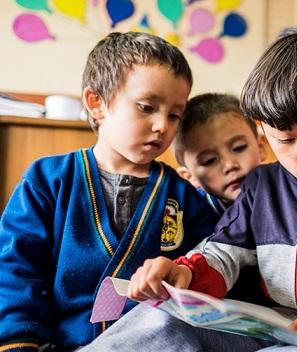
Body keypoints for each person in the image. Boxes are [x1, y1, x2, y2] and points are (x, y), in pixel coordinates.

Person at [82, 28, 297, 352]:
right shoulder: (261, 186)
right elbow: (224, 252)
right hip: (276, 323)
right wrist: (183, 271)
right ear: (262, 130)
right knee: (159, 320)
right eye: (286, 139)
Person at [0, 32, 219, 351]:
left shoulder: (183, 196)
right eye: (147, 107)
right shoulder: (47, 180)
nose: (162, 125)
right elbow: (16, 270)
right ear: (97, 103)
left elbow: (208, 262)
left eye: (174, 115)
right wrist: (19, 343)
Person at [173, 93, 265, 216]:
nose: (230, 165)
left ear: (260, 148)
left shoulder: (288, 190)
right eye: (209, 160)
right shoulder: (192, 221)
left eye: (239, 148)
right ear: (190, 177)